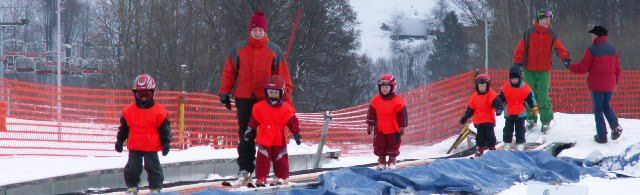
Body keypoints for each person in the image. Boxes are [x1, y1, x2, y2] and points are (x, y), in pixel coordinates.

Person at [218, 10, 294, 185]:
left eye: (260, 30)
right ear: (250, 31)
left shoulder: (274, 50)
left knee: (272, 135)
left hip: (267, 99)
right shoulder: (239, 48)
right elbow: (229, 72)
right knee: (246, 134)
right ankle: (245, 169)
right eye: (255, 30)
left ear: (265, 31)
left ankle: (277, 171)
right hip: (244, 98)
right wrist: (225, 92)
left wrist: (286, 96)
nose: (257, 33)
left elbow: (283, 76)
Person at [513, 8, 571, 133]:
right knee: (530, 95)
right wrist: (518, 62)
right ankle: (531, 118)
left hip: (544, 70)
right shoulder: (529, 32)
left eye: (549, 19)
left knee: (544, 95)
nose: (547, 21)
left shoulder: (552, 33)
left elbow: (559, 47)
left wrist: (566, 58)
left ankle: (546, 120)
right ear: (539, 19)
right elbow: (520, 48)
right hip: (530, 69)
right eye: (545, 19)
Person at [115, 74, 171, 194]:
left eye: (147, 95)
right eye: (140, 95)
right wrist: (119, 141)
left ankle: (155, 187)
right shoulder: (129, 111)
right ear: (135, 94)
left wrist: (166, 142)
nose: (143, 98)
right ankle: (132, 186)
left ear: (153, 93)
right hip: (135, 146)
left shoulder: (159, 112)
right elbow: (123, 129)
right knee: (132, 168)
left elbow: (165, 130)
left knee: (153, 167)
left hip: (151, 146)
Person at [566, 26, 623, 143]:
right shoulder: (613, 50)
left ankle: (602, 135)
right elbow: (618, 69)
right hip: (610, 84)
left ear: (597, 36)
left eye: (592, 35)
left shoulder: (592, 50)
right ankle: (615, 126)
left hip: (597, 85)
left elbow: (583, 67)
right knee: (606, 105)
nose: (591, 37)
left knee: (598, 109)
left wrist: (570, 65)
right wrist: (615, 81)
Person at [243, 75, 301, 187]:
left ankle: (282, 177)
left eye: (275, 93)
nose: (273, 95)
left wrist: (297, 133)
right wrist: (250, 130)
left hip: (279, 137)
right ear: (266, 92)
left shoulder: (286, 108)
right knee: (262, 158)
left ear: (281, 92)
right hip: (264, 137)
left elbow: (292, 122)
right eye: (270, 92)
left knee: (281, 158)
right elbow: (254, 120)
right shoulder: (260, 107)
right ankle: (261, 177)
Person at [366, 74, 408, 170]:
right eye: (382, 87)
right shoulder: (375, 100)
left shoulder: (398, 101)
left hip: (393, 128)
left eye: (386, 87)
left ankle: (392, 161)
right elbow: (371, 113)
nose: (384, 89)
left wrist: (402, 127)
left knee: (393, 145)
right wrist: (370, 125)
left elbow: (403, 116)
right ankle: (381, 161)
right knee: (379, 145)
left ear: (392, 87)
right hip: (380, 128)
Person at [459, 74, 503, 157]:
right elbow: (470, 110)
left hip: (489, 120)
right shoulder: (473, 97)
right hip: (479, 121)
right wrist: (465, 117)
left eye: (483, 86)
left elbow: (498, 103)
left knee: (490, 136)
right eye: (480, 86)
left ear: (487, 86)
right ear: (477, 86)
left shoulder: (491, 95)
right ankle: (479, 150)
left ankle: (492, 148)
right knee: (480, 137)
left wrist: (499, 110)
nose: (481, 88)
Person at [498, 66, 537, 151]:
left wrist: (534, 107)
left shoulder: (525, 88)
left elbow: (531, 98)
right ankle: (507, 143)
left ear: (519, 78)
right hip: (509, 113)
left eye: (516, 78)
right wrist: (498, 107)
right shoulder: (505, 87)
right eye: (512, 79)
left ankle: (520, 143)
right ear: (510, 78)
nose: (514, 80)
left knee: (520, 130)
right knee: (507, 130)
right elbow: (500, 99)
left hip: (521, 113)